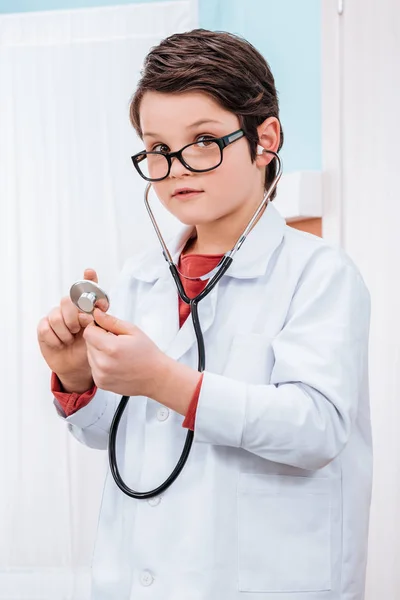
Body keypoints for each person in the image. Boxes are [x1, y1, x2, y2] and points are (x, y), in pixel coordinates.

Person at [37, 29, 372, 600]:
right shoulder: (140, 278)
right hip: (137, 578)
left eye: (203, 141)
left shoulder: (319, 275)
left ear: (265, 139)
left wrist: (168, 382)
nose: (177, 168)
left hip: (266, 579)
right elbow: (120, 439)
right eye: (158, 148)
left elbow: (318, 428)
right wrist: (77, 378)